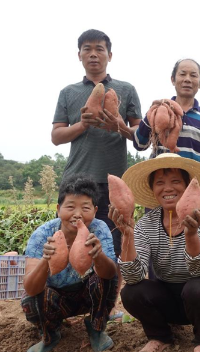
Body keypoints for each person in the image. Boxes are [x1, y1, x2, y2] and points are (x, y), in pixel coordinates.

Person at [109, 153, 200, 352]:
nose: (168, 188)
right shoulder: (146, 224)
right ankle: (160, 336)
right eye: (160, 183)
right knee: (131, 292)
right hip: (168, 296)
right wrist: (127, 235)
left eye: (175, 181)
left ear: (187, 186)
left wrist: (191, 235)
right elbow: (133, 276)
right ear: (153, 189)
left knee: (198, 287)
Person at [51, 29, 142, 269]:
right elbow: (56, 136)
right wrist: (82, 125)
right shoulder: (68, 93)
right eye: (87, 49)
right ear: (79, 55)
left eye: (99, 49)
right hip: (76, 182)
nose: (93, 54)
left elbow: (142, 137)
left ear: (109, 55)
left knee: (114, 245)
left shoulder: (126, 89)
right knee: (71, 245)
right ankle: (74, 298)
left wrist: (119, 126)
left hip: (115, 185)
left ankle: (109, 305)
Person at [21, 174, 118, 352]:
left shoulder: (99, 229)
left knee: (110, 275)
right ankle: (50, 334)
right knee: (30, 299)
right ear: (58, 209)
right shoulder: (43, 234)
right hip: (56, 300)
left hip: (87, 294)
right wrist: (45, 260)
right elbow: (31, 287)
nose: (77, 215)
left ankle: (96, 328)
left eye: (85, 208)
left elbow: (109, 273)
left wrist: (98, 256)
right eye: (70, 207)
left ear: (95, 210)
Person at [133, 58, 200, 214]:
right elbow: (139, 144)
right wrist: (151, 114)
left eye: (193, 75)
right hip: (160, 189)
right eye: (182, 74)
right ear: (173, 80)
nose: (187, 79)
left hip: (192, 189)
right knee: (156, 235)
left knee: (190, 234)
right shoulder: (160, 110)